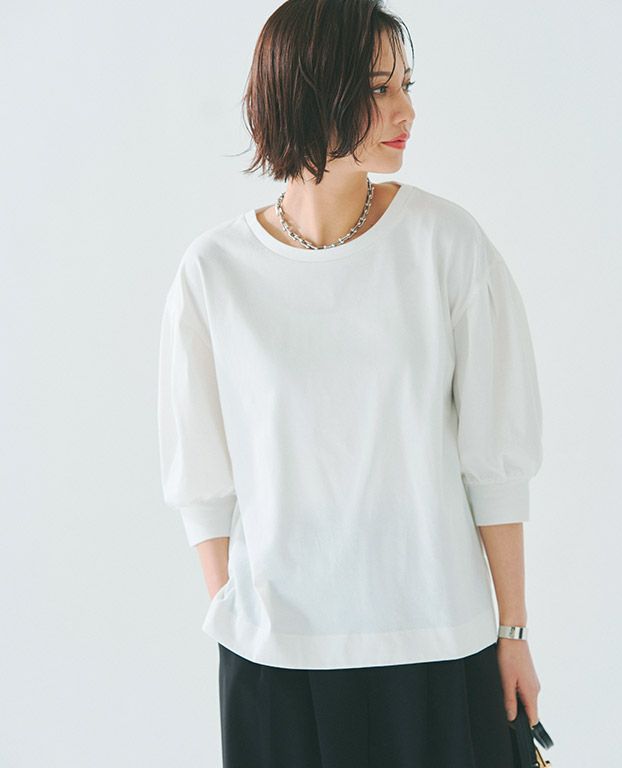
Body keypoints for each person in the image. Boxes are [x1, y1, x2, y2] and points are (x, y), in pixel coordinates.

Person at [157, 1, 544, 766]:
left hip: (439, 641)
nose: (406, 110)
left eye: (406, 84)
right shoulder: (214, 273)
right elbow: (201, 478)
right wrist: (238, 609)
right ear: (309, 92)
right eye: (378, 88)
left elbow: (495, 461)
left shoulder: (444, 244)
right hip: (277, 662)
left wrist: (513, 631)